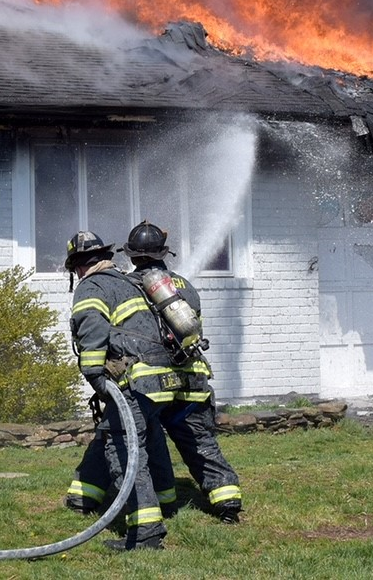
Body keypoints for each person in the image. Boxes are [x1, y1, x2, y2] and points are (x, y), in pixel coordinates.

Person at [120, 221, 243, 524]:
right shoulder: (186, 287)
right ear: (164, 254)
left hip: (150, 384)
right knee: (200, 442)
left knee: (144, 443)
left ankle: (158, 505)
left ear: (132, 256)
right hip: (191, 380)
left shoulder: (123, 287)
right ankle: (227, 501)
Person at [67, 230, 168, 551]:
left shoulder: (91, 286)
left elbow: (92, 328)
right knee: (134, 432)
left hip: (134, 378)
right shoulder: (129, 281)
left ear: (79, 266)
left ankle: (147, 531)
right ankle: (85, 495)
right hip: (161, 378)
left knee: (123, 447)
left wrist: (94, 375)